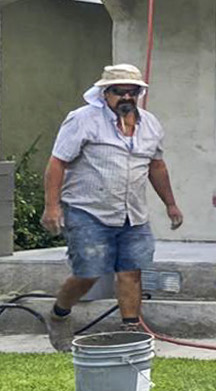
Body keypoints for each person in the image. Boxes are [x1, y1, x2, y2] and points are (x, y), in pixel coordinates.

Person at [42, 64, 183, 351]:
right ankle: (59, 315)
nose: (127, 98)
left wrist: (170, 204)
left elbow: (156, 166)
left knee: (131, 271)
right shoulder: (82, 120)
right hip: (88, 210)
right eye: (119, 92)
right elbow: (57, 162)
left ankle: (130, 331)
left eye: (133, 92)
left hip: (133, 213)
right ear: (105, 94)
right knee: (89, 273)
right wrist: (52, 207)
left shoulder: (150, 124)